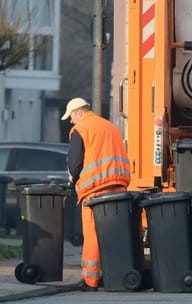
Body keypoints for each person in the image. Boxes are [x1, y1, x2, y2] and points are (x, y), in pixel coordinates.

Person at [61, 97, 131, 292]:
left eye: (71, 117)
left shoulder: (80, 129)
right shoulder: (109, 126)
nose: (71, 121)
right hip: (118, 186)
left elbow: (74, 162)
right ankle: (116, 276)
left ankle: (91, 280)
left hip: (95, 189)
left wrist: (72, 181)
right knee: (114, 233)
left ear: (79, 113)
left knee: (92, 234)